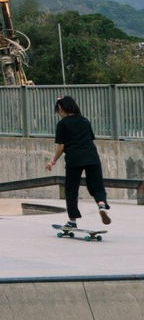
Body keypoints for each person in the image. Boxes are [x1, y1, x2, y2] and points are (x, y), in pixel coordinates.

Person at [48, 95, 112, 228]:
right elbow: (90, 139)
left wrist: (53, 161)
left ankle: (73, 220)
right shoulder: (84, 120)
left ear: (61, 108)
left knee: (71, 189)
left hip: (74, 159)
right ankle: (101, 205)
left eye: (58, 111)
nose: (58, 114)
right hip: (92, 157)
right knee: (97, 185)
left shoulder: (63, 124)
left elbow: (61, 146)